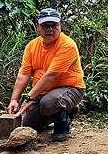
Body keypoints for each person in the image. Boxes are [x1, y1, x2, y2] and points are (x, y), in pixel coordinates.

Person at [6, 8, 85, 142]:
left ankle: (64, 120)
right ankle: (52, 115)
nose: (50, 29)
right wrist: (14, 99)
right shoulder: (32, 46)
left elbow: (51, 76)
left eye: (54, 25)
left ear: (60, 25)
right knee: (30, 125)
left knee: (49, 103)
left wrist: (29, 98)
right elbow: (24, 74)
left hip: (71, 89)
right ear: (38, 27)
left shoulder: (67, 45)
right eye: (45, 26)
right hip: (43, 92)